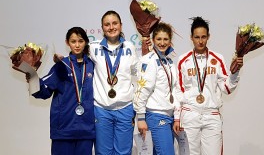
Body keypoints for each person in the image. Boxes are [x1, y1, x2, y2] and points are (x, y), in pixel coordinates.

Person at [173, 17, 244, 155]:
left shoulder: (217, 59)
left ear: (209, 37)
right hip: (190, 114)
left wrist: (235, 73)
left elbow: (227, 88)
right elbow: (178, 91)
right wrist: (177, 117)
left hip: (211, 116)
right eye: (197, 37)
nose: (200, 41)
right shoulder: (183, 60)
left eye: (203, 37)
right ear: (191, 38)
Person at [29, 27, 95, 155]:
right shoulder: (61, 65)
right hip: (63, 129)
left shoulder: (93, 65)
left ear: (86, 42)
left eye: (80, 41)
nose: (77, 45)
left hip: (86, 130)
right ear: (67, 43)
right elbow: (43, 92)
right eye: (73, 41)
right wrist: (32, 76)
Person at [89, 10, 138, 155]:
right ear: (102, 27)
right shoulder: (93, 47)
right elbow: (77, 59)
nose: (111, 27)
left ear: (121, 25)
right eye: (107, 24)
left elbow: (137, 73)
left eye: (114, 23)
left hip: (125, 108)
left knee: (123, 152)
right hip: (101, 109)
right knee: (103, 152)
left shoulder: (130, 47)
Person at [133, 22, 178, 155]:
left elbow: (173, 89)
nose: (162, 43)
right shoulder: (149, 60)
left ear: (170, 41)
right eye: (159, 39)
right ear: (153, 40)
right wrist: (140, 118)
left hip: (168, 115)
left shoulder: (169, 61)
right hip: (156, 115)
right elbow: (142, 90)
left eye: (165, 39)